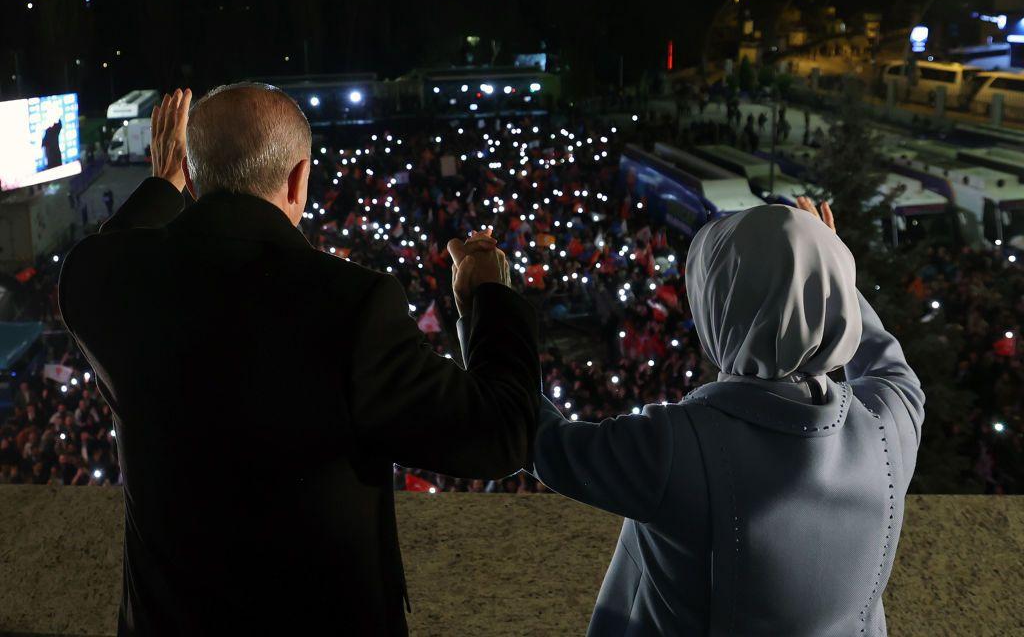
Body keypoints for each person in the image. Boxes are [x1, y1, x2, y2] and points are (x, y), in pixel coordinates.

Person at [58, 85, 541, 636]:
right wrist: (488, 301)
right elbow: (501, 433)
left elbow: (116, 246)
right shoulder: (354, 306)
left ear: (189, 176)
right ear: (298, 179)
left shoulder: (104, 279)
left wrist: (161, 185)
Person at [528, 199, 925, 636]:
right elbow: (888, 365)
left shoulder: (673, 447)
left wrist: (483, 304)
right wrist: (823, 263)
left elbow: (533, 435)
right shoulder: (890, 421)